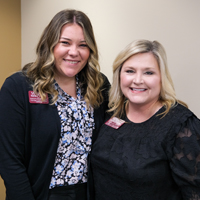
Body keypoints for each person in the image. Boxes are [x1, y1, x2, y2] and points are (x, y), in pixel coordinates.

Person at [0, 9, 110, 200]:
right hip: (40, 194)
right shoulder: (18, 87)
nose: (73, 52)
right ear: (49, 44)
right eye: (65, 43)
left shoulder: (98, 85)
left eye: (83, 45)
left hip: (89, 193)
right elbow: (9, 160)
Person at [90, 39, 200, 200]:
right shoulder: (112, 113)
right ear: (119, 75)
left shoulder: (181, 126)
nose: (138, 80)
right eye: (130, 71)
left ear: (162, 78)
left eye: (148, 72)